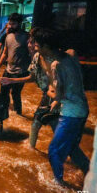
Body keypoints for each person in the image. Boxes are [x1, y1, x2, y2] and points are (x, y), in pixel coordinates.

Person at [37, 30, 90, 185]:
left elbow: (60, 95)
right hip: (82, 109)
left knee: (54, 151)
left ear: (45, 47)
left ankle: (59, 184)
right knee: (72, 147)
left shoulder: (56, 65)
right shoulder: (71, 55)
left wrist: (48, 90)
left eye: (36, 44)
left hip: (71, 114)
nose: (35, 47)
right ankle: (90, 175)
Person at [0, 13, 30, 117]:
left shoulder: (26, 37)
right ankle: (4, 114)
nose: (10, 26)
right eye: (9, 24)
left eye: (13, 24)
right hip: (8, 70)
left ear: (20, 23)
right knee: (3, 93)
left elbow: (32, 54)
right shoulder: (8, 36)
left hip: (20, 72)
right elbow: (5, 53)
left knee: (15, 94)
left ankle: (19, 116)